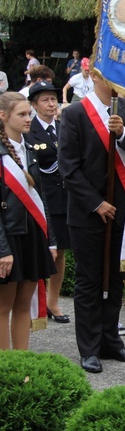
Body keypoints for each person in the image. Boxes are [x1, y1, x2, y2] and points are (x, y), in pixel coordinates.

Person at [58, 69, 125, 373]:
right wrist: (96, 203)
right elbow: (69, 167)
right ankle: (89, 347)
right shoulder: (75, 113)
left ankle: (111, 340)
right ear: (95, 76)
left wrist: (123, 134)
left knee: (115, 277)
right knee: (89, 280)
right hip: (88, 211)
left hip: (123, 210)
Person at [0, 92, 57, 350]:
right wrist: (3, 251)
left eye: (29, 114)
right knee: (3, 306)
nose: (28, 119)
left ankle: (21, 364)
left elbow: (41, 198)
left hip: (33, 235)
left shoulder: (30, 150)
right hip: (8, 239)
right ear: (3, 116)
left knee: (24, 305)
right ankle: (4, 369)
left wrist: (51, 241)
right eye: (22, 114)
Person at [25, 81, 69, 323]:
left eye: (53, 98)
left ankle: (53, 302)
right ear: (34, 104)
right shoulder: (27, 130)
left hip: (63, 199)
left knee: (59, 250)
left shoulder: (64, 127)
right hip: (39, 199)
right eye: (45, 100)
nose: (51, 104)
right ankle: (32, 303)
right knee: (41, 250)